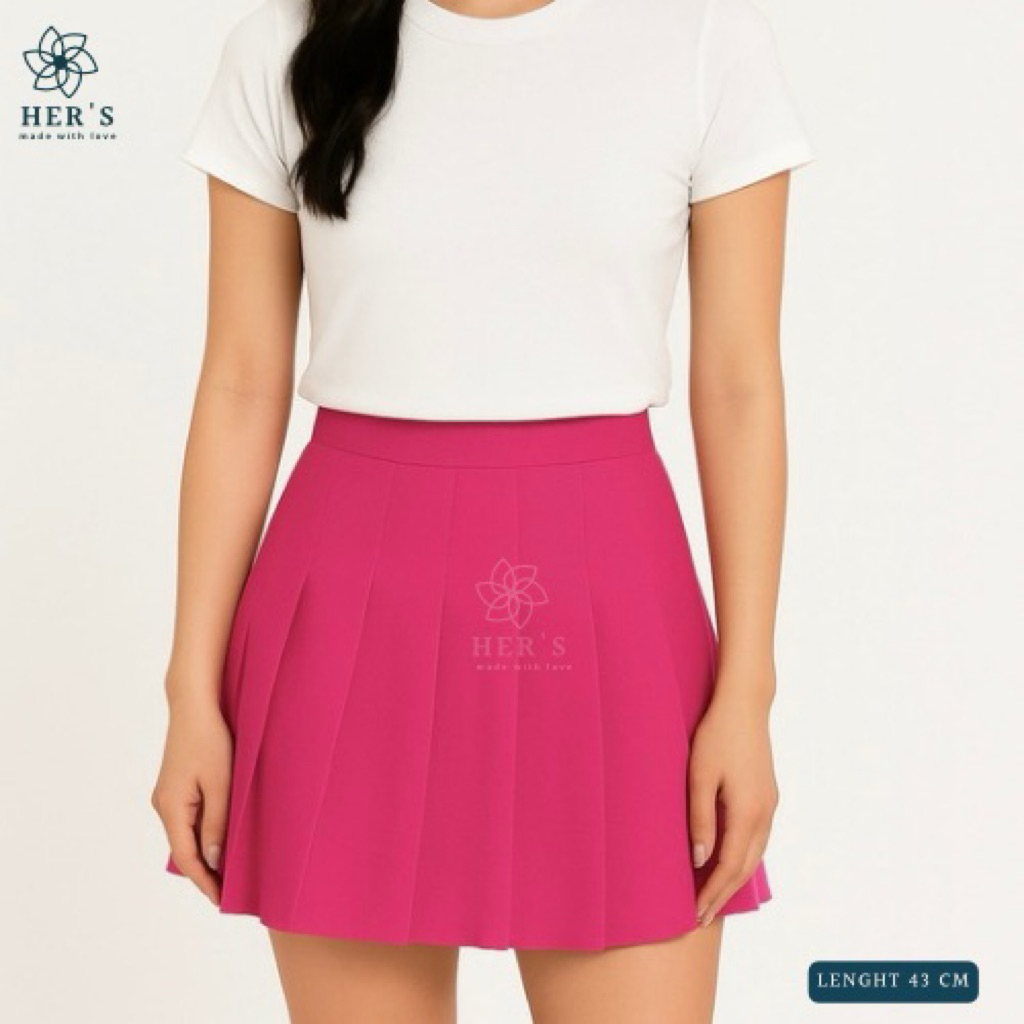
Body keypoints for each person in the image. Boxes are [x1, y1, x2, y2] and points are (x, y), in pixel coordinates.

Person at [151, 0, 815, 1019]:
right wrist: (189, 692)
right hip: (348, 617)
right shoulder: (285, 45)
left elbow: (739, 386)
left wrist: (748, 693)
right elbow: (241, 381)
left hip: (610, 613)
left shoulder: (699, 39)